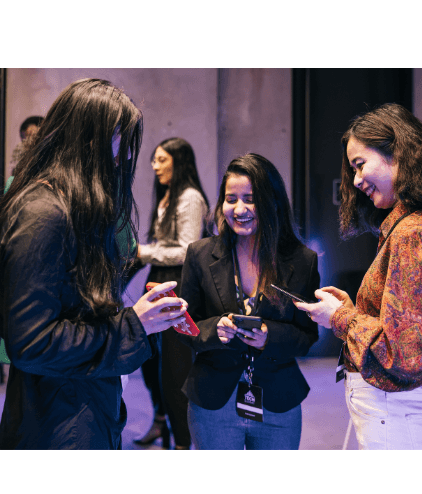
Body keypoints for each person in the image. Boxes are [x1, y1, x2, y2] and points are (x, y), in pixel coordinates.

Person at [0, 78, 188, 450]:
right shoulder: (44, 213)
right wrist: (136, 324)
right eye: (122, 140)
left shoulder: (70, 206)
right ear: (88, 139)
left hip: (79, 405)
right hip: (58, 421)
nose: (127, 158)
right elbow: (33, 342)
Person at [295, 103, 422, 450]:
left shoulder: (413, 233)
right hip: (398, 416)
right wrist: (352, 312)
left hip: (399, 420)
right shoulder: (416, 226)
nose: (357, 180)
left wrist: (340, 317)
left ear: (396, 152)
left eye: (360, 165)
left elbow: (406, 352)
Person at [178, 153, 320, 450]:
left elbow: (307, 336)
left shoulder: (301, 261)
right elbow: (184, 325)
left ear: (272, 202)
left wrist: (269, 335)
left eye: (250, 199)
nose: (239, 209)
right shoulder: (200, 254)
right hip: (213, 403)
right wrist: (213, 328)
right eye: (231, 199)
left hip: (278, 403)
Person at [132, 138, 209, 450]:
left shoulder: (190, 198)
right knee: (151, 363)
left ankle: (182, 442)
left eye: (161, 159)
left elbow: (187, 249)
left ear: (179, 161)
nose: (155, 165)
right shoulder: (167, 196)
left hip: (176, 285)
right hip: (158, 281)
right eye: (154, 159)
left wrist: (143, 252)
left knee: (175, 369)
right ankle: (162, 421)